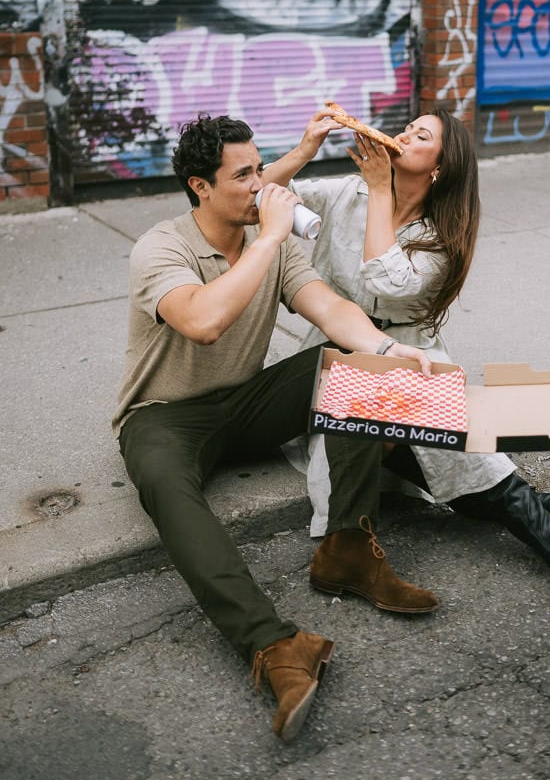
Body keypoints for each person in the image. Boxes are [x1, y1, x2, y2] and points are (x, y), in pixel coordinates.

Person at [112, 114, 441, 743]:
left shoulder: (277, 244)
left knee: (355, 366)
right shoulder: (163, 247)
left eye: (260, 169)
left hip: (244, 403)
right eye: (243, 175)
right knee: (168, 492)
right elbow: (202, 321)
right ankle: (277, 646)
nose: (261, 184)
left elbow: (328, 307)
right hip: (163, 417)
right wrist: (268, 238)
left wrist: (383, 347)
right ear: (199, 187)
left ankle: (346, 549)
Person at [263, 107, 550, 588]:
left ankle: (533, 521)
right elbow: (255, 196)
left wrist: (378, 189)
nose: (402, 135)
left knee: (428, 427)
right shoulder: (345, 192)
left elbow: (385, 280)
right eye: (406, 128)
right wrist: (305, 150)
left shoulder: (441, 236)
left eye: (420, 136)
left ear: (438, 169)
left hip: (407, 349)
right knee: (398, 432)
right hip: (339, 345)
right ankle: (530, 508)